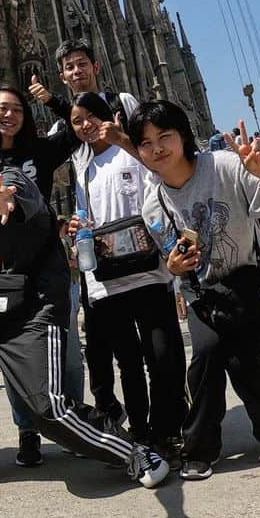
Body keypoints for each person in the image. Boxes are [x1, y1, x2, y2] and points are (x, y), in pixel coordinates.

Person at [0, 115, 170, 490]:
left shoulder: (11, 180)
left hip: (33, 310)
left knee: (48, 409)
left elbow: (18, 201)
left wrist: (4, 203)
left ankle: (134, 451)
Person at [130, 105, 260, 481]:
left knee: (247, 364)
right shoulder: (152, 203)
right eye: (145, 143)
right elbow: (170, 259)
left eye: (164, 137)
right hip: (203, 293)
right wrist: (174, 266)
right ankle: (201, 447)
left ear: (184, 136)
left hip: (249, 282)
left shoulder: (224, 165)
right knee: (204, 359)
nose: (156, 148)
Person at [66, 93, 186, 456]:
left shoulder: (134, 151)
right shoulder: (83, 168)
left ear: (109, 116)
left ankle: (171, 428)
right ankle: (142, 430)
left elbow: (162, 175)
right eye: (77, 120)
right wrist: (77, 226)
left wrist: (123, 139)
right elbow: (85, 211)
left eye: (91, 116)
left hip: (149, 269)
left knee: (161, 355)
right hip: (111, 276)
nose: (85, 124)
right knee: (129, 363)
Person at [30, 41, 139, 432]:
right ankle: (108, 407)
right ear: (62, 75)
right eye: (69, 68)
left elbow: (127, 136)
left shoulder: (121, 102)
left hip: (135, 230)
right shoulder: (64, 128)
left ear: (95, 65)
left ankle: (154, 417)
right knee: (97, 333)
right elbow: (49, 158)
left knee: (137, 333)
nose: (77, 71)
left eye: (81, 64)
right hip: (94, 237)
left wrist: (57, 103)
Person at [0, 82, 83, 466]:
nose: (9, 116)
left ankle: (72, 421)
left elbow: (79, 128)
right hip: (5, 272)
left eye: (17, 110)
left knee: (69, 350)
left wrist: (54, 101)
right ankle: (27, 430)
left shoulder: (38, 151)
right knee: (14, 358)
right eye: (2, 108)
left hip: (49, 267)